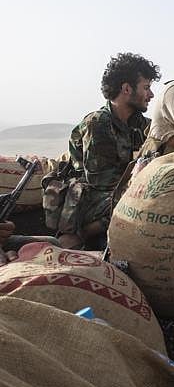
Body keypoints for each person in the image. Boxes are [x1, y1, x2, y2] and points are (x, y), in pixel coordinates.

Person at [43, 53, 160, 250]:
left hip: (109, 195)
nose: (151, 95)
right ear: (126, 89)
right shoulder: (98, 123)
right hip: (88, 201)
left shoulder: (138, 123)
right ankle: (81, 235)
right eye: (146, 88)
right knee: (138, 198)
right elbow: (102, 182)